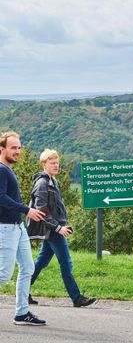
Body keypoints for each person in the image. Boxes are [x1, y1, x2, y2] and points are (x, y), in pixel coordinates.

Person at [28, 149, 96, 308]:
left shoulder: (53, 182)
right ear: (44, 164)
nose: (56, 165)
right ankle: (77, 298)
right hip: (52, 230)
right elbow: (42, 210)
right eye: (52, 163)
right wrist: (58, 228)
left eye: (57, 162)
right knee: (66, 262)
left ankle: (23, 291)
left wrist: (62, 225)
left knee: (40, 262)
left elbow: (55, 209)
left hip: (54, 228)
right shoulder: (42, 183)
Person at [0, 131, 47, 325]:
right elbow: (1, 198)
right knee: (3, 275)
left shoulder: (8, 169)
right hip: (5, 228)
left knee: (28, 267)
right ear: (1, 149)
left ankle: (22, 313)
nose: (18, 151)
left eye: (19, 147)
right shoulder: (1, 170)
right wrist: (27, 210)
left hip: (18, 228)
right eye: (13, 148)